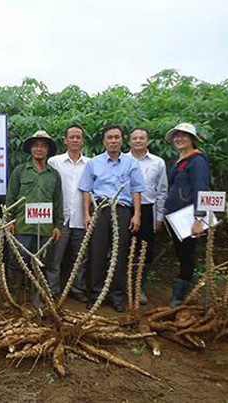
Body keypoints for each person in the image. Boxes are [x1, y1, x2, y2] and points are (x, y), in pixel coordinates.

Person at [79, 125, 145, 312]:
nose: (113, 141)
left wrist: (137, 214)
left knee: (119, 253)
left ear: (122, 140)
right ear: (104, 141)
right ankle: (96, 294)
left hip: (123, 210)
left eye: (117, 137)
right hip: (100, 209)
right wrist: (87, 214)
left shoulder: (131, 163)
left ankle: (117, 296)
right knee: (97, 252)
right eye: (110, 137)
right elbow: (86, 190)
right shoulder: (94, 163)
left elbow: (136, 190)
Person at [6, 130, 63, 305]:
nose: (39, 149)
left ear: (48, 150)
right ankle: (15, 299)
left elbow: (58, 201)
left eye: (43, 146)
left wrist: (58, 225)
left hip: (45, 228)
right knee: (17, 263)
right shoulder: (20, 171)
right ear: (31, 149)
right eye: (35, 145)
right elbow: (11, 197)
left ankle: (36, 299)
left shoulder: (53, 174)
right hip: (22, 226)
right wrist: (9, 220)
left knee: (40, 264)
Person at [164, 123, 210, 307]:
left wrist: (199, 218)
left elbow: (202, 188)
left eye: (184, 135)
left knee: (187, 255)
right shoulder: (180, 160)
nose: (179, 138)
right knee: (182, 253)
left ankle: (180, 296)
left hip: (189, 217)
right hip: (176, 216)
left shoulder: (197, 161)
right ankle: (182, 290)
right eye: (177, 135)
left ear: (192, 139)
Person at [47, 124, 91, 300]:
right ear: (65, 140)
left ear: (82, 141)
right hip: (60, 219)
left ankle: (78, 290)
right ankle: (53, 290)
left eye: (78, 137)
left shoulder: (90, 164)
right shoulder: (54, 162)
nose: (75, 140)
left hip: (82, 218)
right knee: (54, 257)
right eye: (71, 137)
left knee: (81, 258)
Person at [126, 127, 168, 305]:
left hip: (148, 209)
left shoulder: (158, 162)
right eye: (134, 138)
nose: (138, 141)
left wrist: (159, 217)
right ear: (129, 141)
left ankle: (139, 287)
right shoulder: (122, 160)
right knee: (123, 248)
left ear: (148, 141)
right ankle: (122, 286)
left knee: (145, 251)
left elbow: (162, 191)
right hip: (125, 209)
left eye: (141, 138)